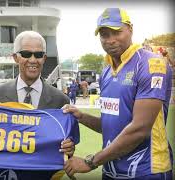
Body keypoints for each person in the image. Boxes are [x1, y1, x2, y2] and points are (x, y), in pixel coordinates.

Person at [63, 8, 173, 179]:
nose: (110, 40)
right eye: (104, 35)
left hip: (146, 171)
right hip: (111, 171)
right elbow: (113, 126)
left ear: (130, 29)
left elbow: (140, 129)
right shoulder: (106, 71)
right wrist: (81, 116)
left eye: (116, 32)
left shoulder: (151, 64)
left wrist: (89, 162)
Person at [0, 31, 74, 179]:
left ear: (44, 58)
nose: (32, 60)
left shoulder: (61, 100)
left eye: (38, 55)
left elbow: (66, 149)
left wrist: (69, 148)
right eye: (26, 54)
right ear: (15, 58)